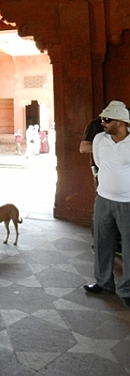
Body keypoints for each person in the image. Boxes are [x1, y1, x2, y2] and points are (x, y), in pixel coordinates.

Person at [83, 100, 130, 307]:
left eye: (107, 119)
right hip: (103, 199)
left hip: (127, 202)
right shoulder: (100, 139)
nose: (102, 122)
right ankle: (103, 282)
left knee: (129, 246)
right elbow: (100, 164)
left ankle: (127, 289)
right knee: (103, 242)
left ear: (121, 123)